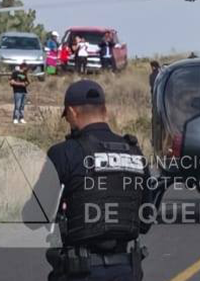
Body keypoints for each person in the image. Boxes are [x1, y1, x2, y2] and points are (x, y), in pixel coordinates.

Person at [46, 80, 151, 280]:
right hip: (126, 268)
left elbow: (34, 215)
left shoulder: (63, 153)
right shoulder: (135, 153)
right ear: (104, 110)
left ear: (72, 112)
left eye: (67, 117)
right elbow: (145, 220)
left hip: (79, 270)